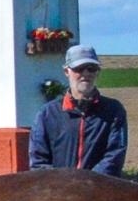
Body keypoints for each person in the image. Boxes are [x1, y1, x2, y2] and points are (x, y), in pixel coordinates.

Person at [29, 44, 127, 176]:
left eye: (91, 69)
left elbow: (115, 156)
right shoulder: (47, 114)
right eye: (79, 69)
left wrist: (87, 183)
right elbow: (38, 161)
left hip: (100, 190)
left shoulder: (113, 110)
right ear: (66, 72)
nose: (85, 74)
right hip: (58, 190)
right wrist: (65, 184)